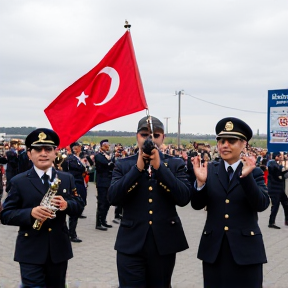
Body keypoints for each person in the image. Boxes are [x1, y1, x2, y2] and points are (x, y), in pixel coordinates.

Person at [108, 115, 191, 287]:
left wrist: (160, 168)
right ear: (137, 136)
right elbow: (113, 197)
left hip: (163, 242)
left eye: (155, 135)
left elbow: (183, 198)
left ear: (163, 138)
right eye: (145, 134)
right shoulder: (123, 165)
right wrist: (137, 169)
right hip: (131, 242)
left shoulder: (175, 164)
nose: (150, 139)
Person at [190, 117, 270, 288]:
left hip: (246, 251)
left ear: (243, 144)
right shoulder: (209, 170)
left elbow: (262, 204)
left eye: (231, 141)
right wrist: (200, 183)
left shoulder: (254, 172)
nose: (224, 145)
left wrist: (246, 177)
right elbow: (196, 204)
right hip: (214, 251)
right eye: (221, 141)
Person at [0, 128, 84, 288]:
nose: (43, 153)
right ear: (29, 154)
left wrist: (67, 205)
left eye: (48, 149)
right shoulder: (19, 181)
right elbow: (5, 215)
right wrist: (30, 213)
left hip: (58, 251)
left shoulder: (66, 179)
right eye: (38, 150)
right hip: (30, 250)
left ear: (55, 153)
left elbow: (79, 205)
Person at [61, 142, 87, 242]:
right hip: (74, 184)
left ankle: (71, 232)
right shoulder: (70, 159)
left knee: (77, 207)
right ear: (75, 148)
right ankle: (71, 233)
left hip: (79, 183)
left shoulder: (77, 159)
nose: (81, 148)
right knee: (74, 210)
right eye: (79, 147)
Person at [94, 139, 114, 231]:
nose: (107, 146)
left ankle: (103, 220)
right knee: (101, 202)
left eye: (108, 145)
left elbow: (113, 164)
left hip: (109, 181)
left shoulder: (109, 155)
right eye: (105, 145)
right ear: (102, 146)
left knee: (107, 202)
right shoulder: (98, 156)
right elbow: (106, 164)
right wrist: (110, 163)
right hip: (102, 182)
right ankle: (98, 223)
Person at [267, 151, 288, 229]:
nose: (281, 157)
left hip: (280, 189)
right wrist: (284, 170)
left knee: (286, 204)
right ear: (276, 156)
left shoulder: (276, 164)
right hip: (274, 189)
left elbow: (282, 174)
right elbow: (278, 173)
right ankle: (271, 222)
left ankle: (287, 220)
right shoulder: (272, 163)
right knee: (275, 206)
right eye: (280, 156)